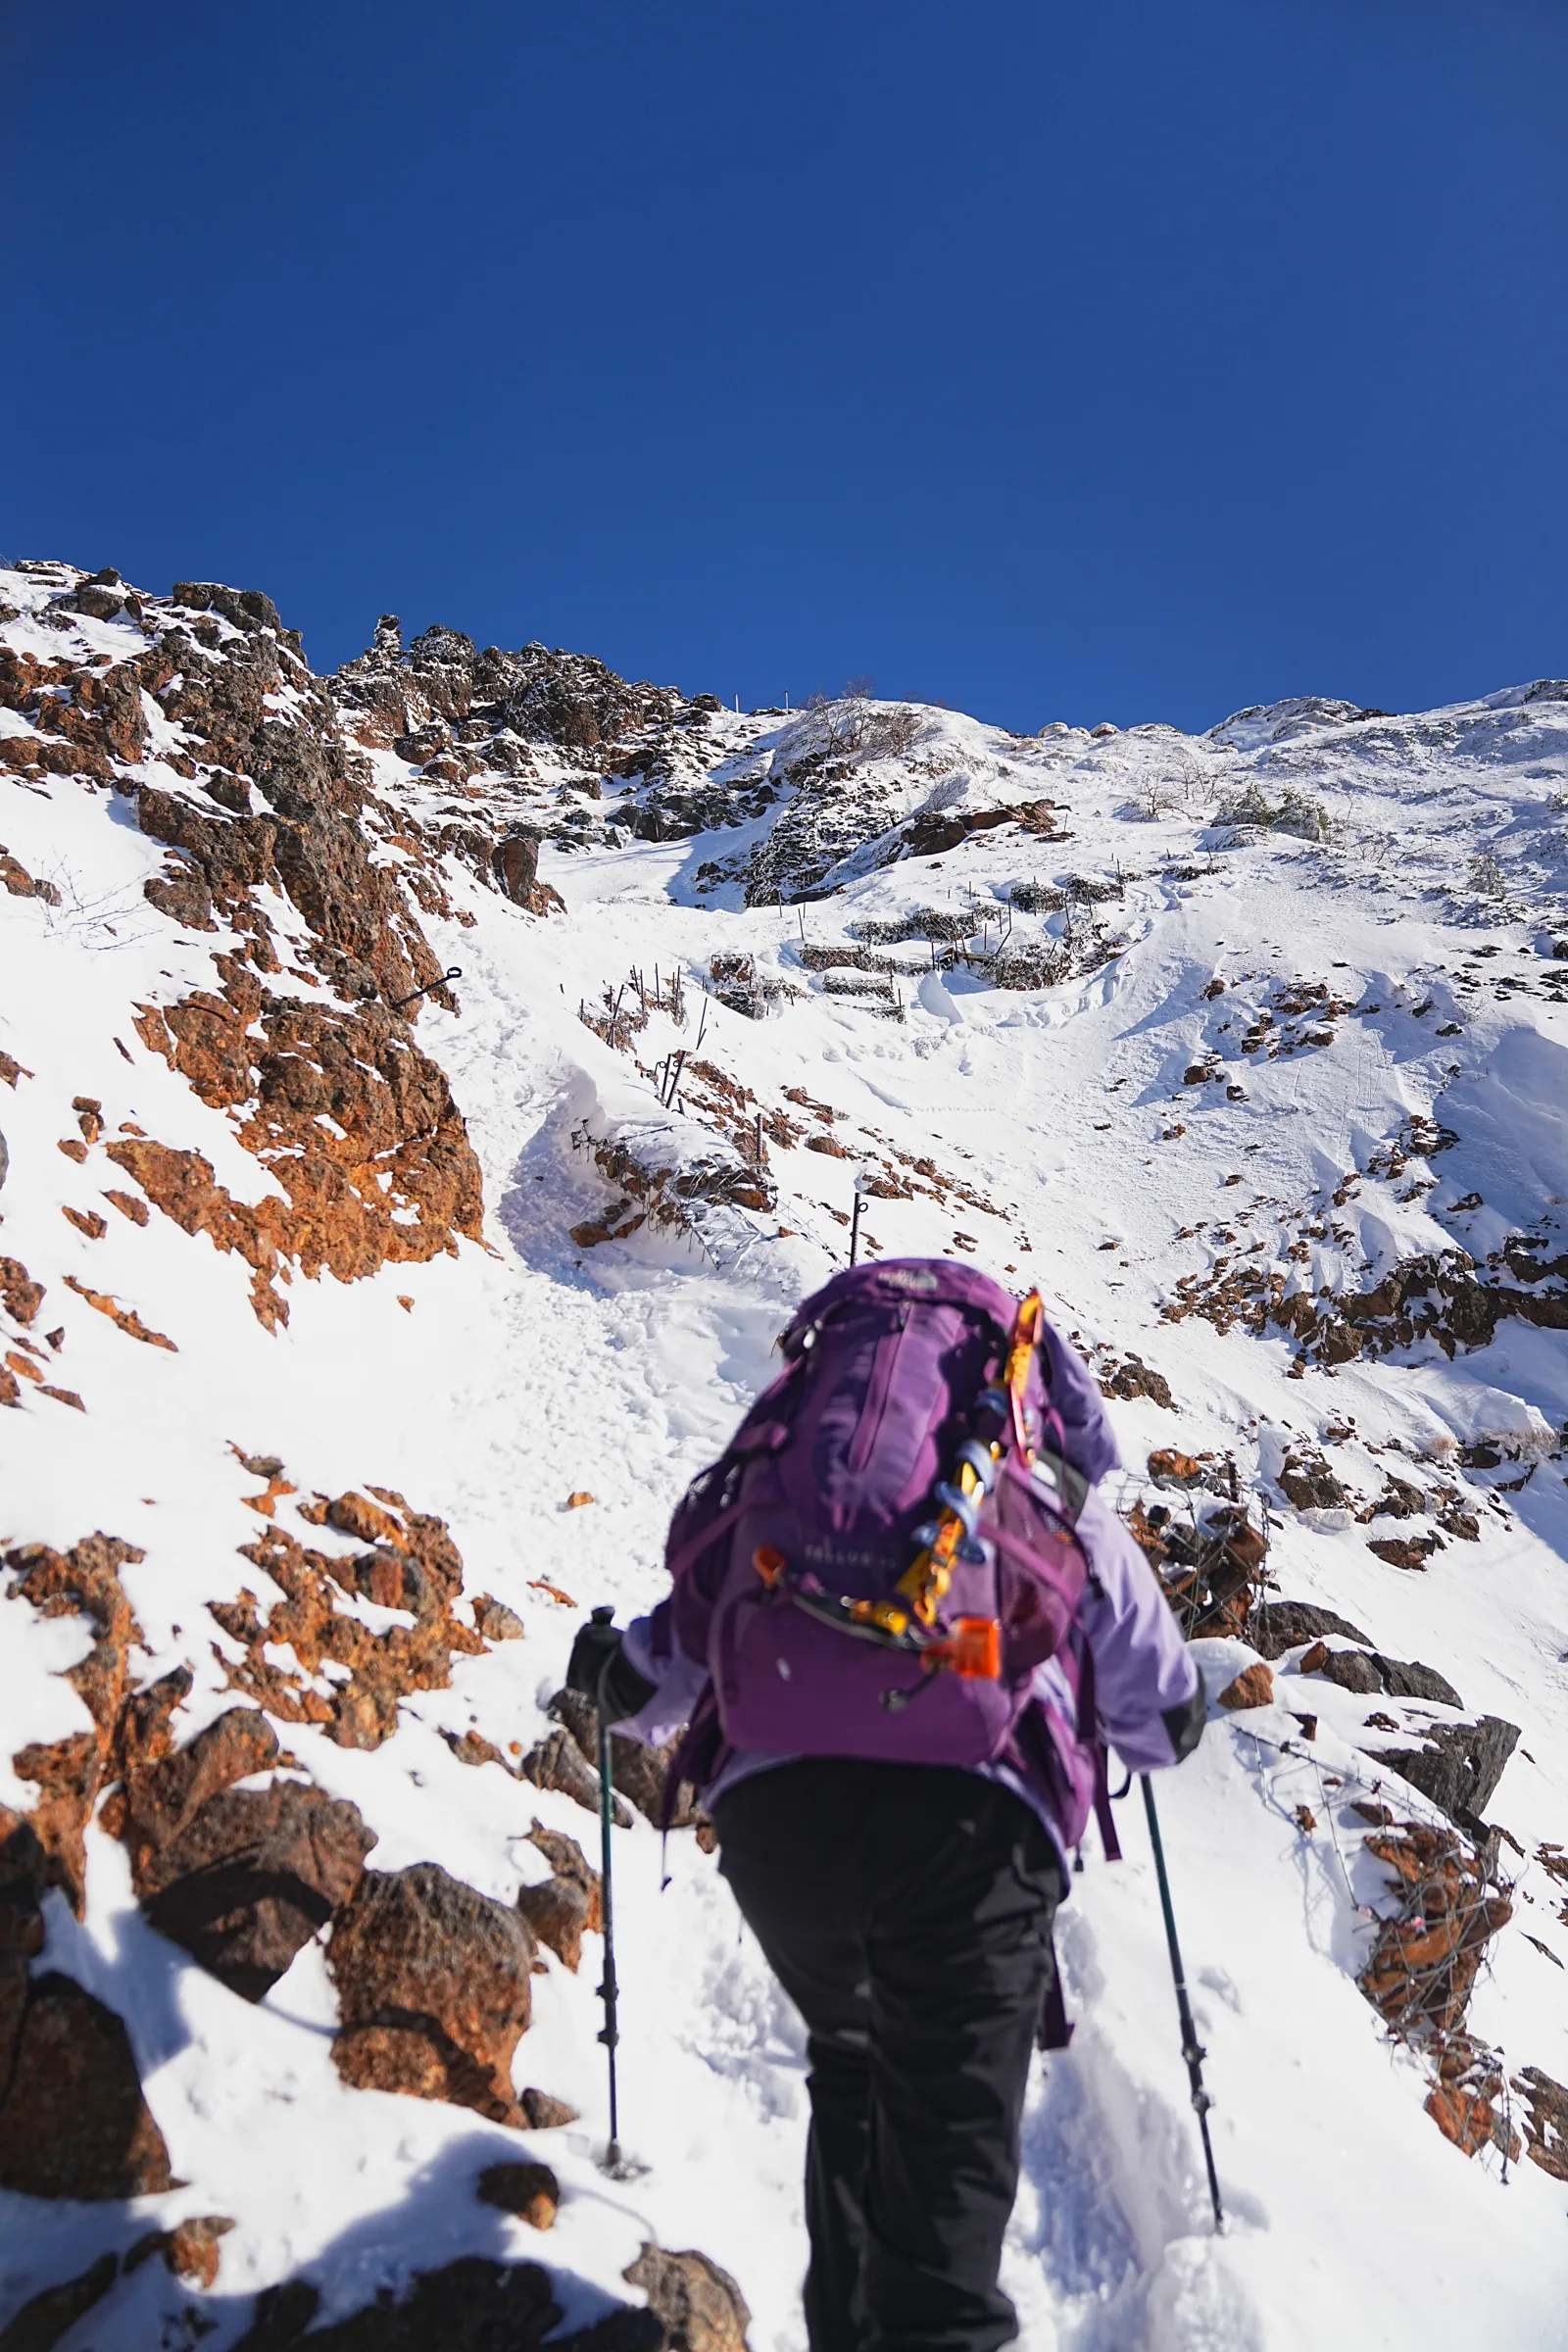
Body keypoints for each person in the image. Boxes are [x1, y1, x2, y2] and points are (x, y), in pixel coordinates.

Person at [566, 1260, 1203, 2352]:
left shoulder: (797, 1468)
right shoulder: (1033, 1471)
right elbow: (1165, 1718)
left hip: (783, 1831)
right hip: (973, 1843)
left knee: (853, 2058)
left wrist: (605, 1669)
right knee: (942, 2256)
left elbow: (653, 1674)